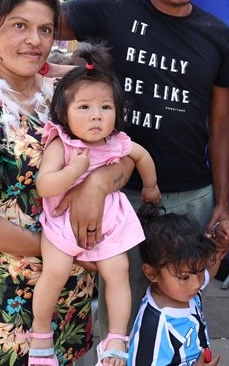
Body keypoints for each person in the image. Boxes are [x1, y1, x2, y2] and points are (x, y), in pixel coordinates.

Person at [0, 0, 136, 365]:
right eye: (19, 26)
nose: (34, 39)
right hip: (10, 295)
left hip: (73, 290)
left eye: (45, 29)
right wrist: (71, 250)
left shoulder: (66, 91)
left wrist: (97, 184)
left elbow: (125, 156)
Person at [58, 0, 229, 331]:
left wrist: (223, 202)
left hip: (189, 198)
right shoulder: (110, 10)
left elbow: (220, 128)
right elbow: (35, 23)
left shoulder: (217, 36)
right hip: (116, 193)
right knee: (115, 319)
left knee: (176, 315)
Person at [28, 44, 160, 366]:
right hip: (62, 222)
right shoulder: (63, 143)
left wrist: (151, 185)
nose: (97, 115)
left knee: (118, 272)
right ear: (64, 113)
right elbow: (44, 185)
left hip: (109, 221)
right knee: (55, 271)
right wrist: (73, 171)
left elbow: (141, 155)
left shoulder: (117, 141)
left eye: (105, 107)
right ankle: (41, 335)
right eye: (84, 107)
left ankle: (116, 338)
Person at [128, 203, 228, 366]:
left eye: (200, 270)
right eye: (184, 277)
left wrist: (220, 248)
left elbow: (209, 273)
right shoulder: (155, 327)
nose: (197, 284)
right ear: (152, 273)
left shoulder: (183, 291)